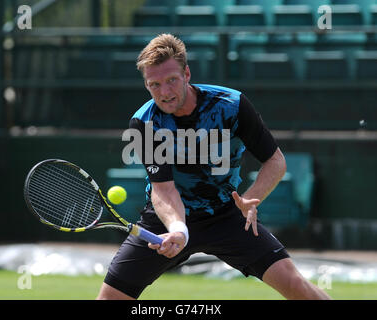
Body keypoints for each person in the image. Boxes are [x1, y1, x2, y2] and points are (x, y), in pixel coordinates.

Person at [97, 34, 331, 300]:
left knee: (295, 285)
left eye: (171, 80)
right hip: (167, 219)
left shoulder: (231, 105)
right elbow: (162, 189)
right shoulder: (144, 122)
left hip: (227, 213)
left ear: (186, 74)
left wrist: (252, 199)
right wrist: (179, 229)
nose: (164, 92)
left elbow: (275, 161)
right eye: (154, 84)